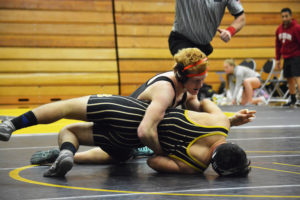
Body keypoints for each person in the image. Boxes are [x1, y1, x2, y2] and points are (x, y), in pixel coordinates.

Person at [0, 94, 254, 177]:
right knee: (81, 136)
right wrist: (160, 149)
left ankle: (12, 125)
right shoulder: (195, 166)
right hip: (131, 140)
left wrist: (228, 118)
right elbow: (154, 163)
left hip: (131, 112)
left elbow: (202, 100)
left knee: (66, 110)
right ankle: (68, 154)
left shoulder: (221, 122)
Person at [169, 0, 246, 56]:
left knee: (198, 76)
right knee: (190, 69)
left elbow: (241, 18)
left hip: (203, 45)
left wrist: (230, 31)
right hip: (181, 39)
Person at [275, 8, 300, 107]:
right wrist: (277, 59)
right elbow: (278, 45)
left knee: (298, 77)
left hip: (296, 56)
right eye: (283, 16)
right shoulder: (279, 29)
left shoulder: (297, 28)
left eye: (286, 16)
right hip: (286, 57)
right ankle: (293, 98)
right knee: (289, 78)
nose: (284, 18)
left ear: (291, 16)